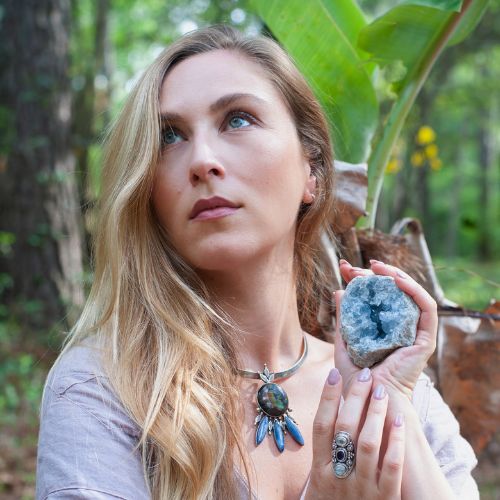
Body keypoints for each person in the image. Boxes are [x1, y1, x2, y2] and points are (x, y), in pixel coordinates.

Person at [36, 25, 479, 500]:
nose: (202, 160)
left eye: (238, 119)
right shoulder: (103, 389)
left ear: (312, 170)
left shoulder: (399, 387)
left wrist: (392, 408)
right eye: (169, 136)